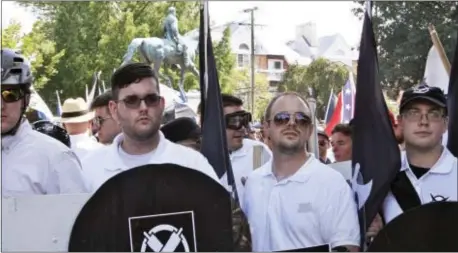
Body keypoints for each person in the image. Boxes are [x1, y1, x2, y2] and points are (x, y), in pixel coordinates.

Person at [243, 92, 359, 252]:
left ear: (310, 129)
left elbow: (348, 247)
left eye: (301, 119)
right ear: (266, 127)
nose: (291, 123)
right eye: (282, 118)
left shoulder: (331, 183)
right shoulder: (253, 182)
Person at [81, 63, 219, 192]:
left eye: (151, 99)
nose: (143, 108)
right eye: (131, 100)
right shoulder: (89, 169)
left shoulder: (192, 164)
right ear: (114, 109)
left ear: (161, 104)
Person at [1, 48, 88, 196]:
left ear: (26, 100)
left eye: (10, 94)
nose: (1, 105)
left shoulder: (56, 157)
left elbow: (79, 217)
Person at [382, 84, 457, 224]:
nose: (423, 122)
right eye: (413, 113)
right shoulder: (382, 176)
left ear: (445, 124)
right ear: (400, 122)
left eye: (433, 114)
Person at [215, 94, 271, 205]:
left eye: (244, 121)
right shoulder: (198, 160)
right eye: (234, 121)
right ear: (214, 124)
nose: (242, 128)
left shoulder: (257, 151)